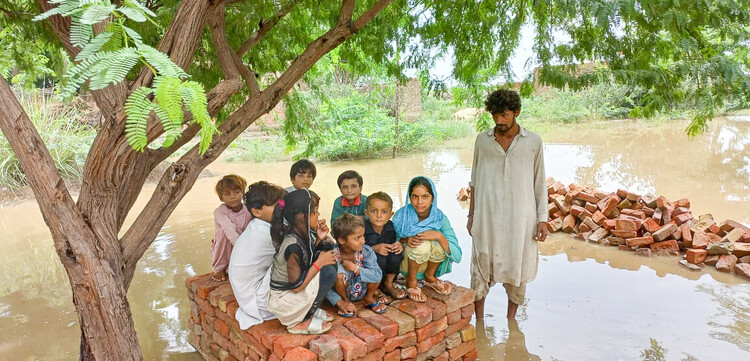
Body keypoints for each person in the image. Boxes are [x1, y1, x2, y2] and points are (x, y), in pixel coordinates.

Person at [467, 89, 548, 320]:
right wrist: (471, 216)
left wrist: (542, 219)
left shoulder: (533, 142)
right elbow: (474, 181)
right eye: (495, 115)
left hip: (521, 219)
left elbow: (539, 182)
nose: (499, 120)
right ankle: (479, 323)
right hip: (487, 217)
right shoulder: (482, 140)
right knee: (480, 269)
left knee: (517, 269)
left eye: (504, 115)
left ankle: (511, 323)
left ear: (516, 112)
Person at [268, 189, 337, 334]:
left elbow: (306, 260)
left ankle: (309, 310)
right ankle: (299, 320)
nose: (318, 215)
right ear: (302, 216)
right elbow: (296, 287)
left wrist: (319, 239)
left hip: (289, 297)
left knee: (329, 263)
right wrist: (319, 263)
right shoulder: (292, 245)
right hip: (284, 302)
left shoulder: (301, 234)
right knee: (328, 271)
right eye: (315, 211)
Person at [394, 176, 462, 303]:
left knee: (438, 243)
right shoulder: (401, 216)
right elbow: (390, 242)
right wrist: (405, 240)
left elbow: (457, 255)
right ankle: (411, 281)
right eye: (415, 196)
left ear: (433, 198)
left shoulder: (440, 218)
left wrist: (439, 236)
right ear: (409, 197)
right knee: (422, 243)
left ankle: (430, 276)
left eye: (425, 196)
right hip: (406, 264)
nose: (419, 202)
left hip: (427, 264)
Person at [228, 181, 286, 330]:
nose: (282, 208)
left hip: (248, 299)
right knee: (295, 257)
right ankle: (303, 310)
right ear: (256, 212)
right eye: (275, 205)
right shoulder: (266, 234)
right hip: (259, 305)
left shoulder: (259, 226)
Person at [326, 214, 387, 317]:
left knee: (374, 272)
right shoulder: (331, 254)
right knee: (338, 273)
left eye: (363, 235)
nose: (363, 240)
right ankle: (345, 302)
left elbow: (377, 275)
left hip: (362, 290)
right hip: (342, 292)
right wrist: (338, 301)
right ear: (342, 240)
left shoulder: (366, 251)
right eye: (357, 238)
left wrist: (355, 268)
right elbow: (323, 284)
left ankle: (369, 298)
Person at [364, 191, 406, 300]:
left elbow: (395, 242)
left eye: (384, 212)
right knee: (378, 258)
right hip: (367, 269)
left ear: (390, 214)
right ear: (366, 212)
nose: (379, 216)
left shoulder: (391, 227)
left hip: (385, 269)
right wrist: (373, 249)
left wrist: (398, 246)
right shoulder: (361, 228)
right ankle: (374, 288)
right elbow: (354, 250)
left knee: (397, 255)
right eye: (374, 211)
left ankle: (388, 284)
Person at [211, 174, 252, 282]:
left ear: (242, 193)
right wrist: (244, 249)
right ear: (221, 197)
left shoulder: (248, 209)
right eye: (227, 194)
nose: (232, 196)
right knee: (224, 234)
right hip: (227, 246)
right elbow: (229, 230)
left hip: (243, 245)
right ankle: (220, 268)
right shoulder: (220, 212)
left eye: (237, 192)